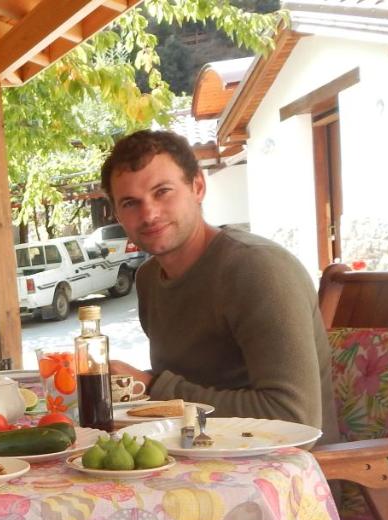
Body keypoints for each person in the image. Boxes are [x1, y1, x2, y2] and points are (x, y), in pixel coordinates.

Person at [101, 130, 337, 440]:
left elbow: (294, 417)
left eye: (163, 191)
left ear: (197, 186)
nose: (149, 214)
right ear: (118, 214)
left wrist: (153, 387)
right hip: (196, 455)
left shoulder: (257, 270)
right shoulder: (148, 279)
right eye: (131, 203)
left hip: (285, 474)